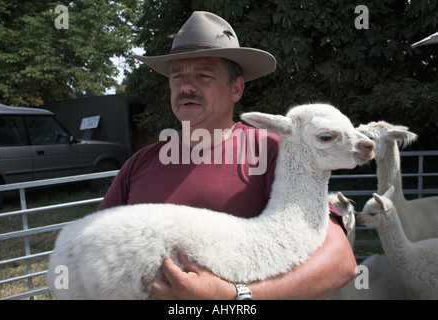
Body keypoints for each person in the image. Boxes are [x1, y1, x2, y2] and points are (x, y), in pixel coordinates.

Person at [99, 11, 357, 300]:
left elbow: (339, 264)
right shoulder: (139, 164)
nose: (186, 86)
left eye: (203, 75)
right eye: (177, 76)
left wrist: (234, 297)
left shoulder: (279, 153)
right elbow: (97, 245)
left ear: (236, 88)